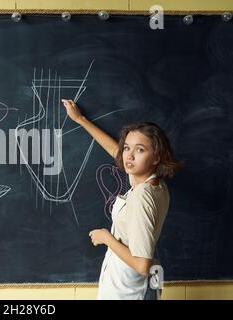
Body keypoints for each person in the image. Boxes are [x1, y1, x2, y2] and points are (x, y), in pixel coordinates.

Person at [61, 99, 182, 300]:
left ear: (156, 157)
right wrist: (80, 119)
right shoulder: (154, 185)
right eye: (127, 148)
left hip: (129, 291)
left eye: (140, 150)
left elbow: (142, 265)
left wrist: (106, 238)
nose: (129, 156)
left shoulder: (143, 196)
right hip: (134, 287)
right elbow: (116, 152)